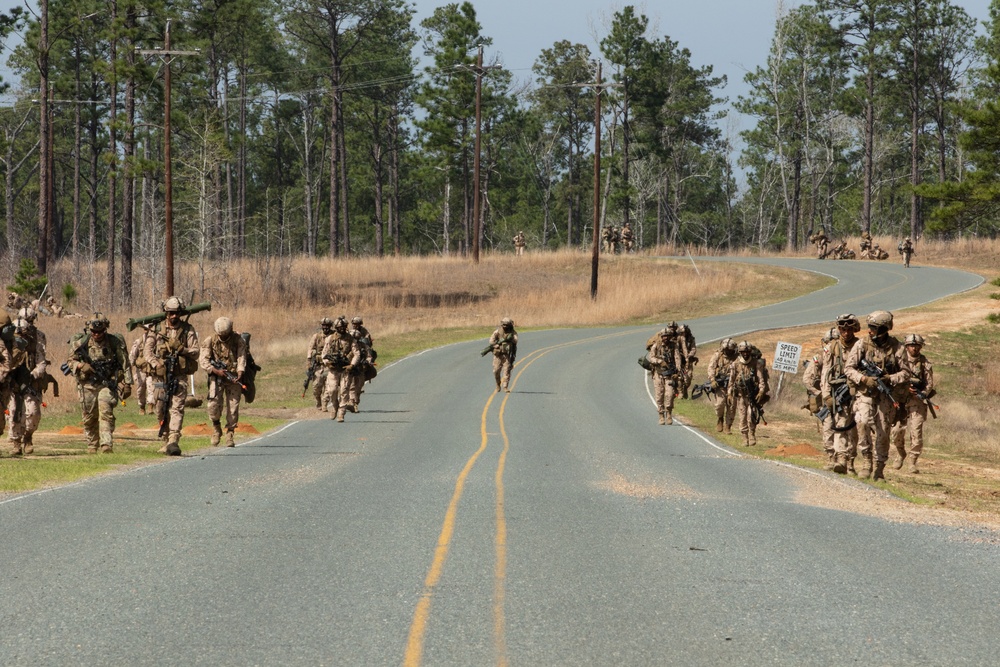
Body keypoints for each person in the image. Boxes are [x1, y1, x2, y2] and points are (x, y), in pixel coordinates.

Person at [844, 310, 910, 480]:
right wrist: (864, 379)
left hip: (886, 396)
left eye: (874, 327)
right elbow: (848, 369)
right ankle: (866, 461)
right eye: (870, 327)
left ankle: (879, 467)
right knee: (862, 422)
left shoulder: (897, 347)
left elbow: (906, 373)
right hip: (865, 393)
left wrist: (890, 378)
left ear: (884, 329)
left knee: (883, 431)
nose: (870, 330)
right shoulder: (862, 345)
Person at [66, 313, 132, 454]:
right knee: (89, 417)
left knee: (105, 411)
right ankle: (92, 444)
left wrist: (127, 384)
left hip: (106, 384)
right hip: (87, 385)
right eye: (94, 332)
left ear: (105, 329)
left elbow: (125, 364)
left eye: (100, 332)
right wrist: (80, 366)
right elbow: (70, 361)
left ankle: (106, 444)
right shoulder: (81, 343)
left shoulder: (114, 342)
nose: (97, 335)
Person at [144, 296, 200, 456]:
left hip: (179, 377)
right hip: (160, 378)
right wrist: (156, 363)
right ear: (166, 313)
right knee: (160, 408)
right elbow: (147, 352)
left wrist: (182, 349)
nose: (174, 316)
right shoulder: (157, 330)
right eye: (170, 313)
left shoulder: (187, 330)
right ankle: (165, 439)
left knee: (176, 408)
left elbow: (195, 352)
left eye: (176, 313)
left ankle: (174, 440)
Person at [822, 314, 862, 475]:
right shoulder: (832, 347)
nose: (846, 332)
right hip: (839, 393)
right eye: (843, 329)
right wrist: (826, 396)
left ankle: (851, 460)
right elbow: (826, 372)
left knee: (856, 428)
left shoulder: (861, 346)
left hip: (858, 393)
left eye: (849, 329)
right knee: (841, 425)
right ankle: (841, 459)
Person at [890, 334, 935, 473]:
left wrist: (921, 393)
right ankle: (900, 453)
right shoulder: (899, 361)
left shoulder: (925, 363)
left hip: (917, 402)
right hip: (900, 401)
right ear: (906, 346)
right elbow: (892, 379)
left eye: (916, 346)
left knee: (916, 432)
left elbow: (929, 384)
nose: (914, 348)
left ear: (920, 347)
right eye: (911, 345)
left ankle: (912, 462)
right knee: (896, 431)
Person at [199, 316, 247, 447]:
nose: (224, 338)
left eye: (226, 335)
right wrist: (214, 370)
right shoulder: (210, 340)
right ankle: (216, 428)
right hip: (217, 377)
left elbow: (242, 356)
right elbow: (203, 360)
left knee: (233, 407)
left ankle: (230, 433)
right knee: (213, 405)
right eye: (222, 335)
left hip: (233, 377)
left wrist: (240, 371)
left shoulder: (238, 340)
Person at [8, 308, 49, 456]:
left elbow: (41, 362)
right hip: (13, 382)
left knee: (32, 413)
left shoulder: (37, 338)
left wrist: (33, 375)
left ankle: (28, 437)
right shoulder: (7, 341)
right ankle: (16, 443)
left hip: (31, 382)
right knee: (13, 412)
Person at [804, 328, 838, 469]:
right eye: (828, 343)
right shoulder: (818, 359)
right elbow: (807, 379)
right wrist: (820, 393)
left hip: (844, 399)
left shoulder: (847, 357)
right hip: (826, 400)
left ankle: (845, 460)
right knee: (828, 428)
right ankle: (832, 458)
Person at [321, 316, 361, 422]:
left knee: (344, 391)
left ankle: (341, 413)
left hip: (345, 369)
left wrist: (352, 365)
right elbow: (324, 354)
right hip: (333, 369)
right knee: (332, 390)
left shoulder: (351, 339)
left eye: (344, 327)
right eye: (340, 327)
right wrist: (327, 363)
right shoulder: (330, 338)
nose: (342, 329)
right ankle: (335, 406)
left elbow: (357, 354)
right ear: (336, 327)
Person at [730, 341, 769, 446]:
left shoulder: (756, 363)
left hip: (752, 396)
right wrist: (730, 393)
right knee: (742, 417)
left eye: (747, 352)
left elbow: (761, 380)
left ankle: (752, 434)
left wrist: (761, 391)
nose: (745, 354)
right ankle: (744, 437)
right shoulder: (735, 364)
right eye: (743, 352)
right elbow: (731, 380)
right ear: (740, 352)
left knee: (751, 415)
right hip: (741, 396)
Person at [647, 328, 681, 425]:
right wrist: (660, 362)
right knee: (659, 396)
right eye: (663, 336)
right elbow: (651, 358)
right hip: (658, 375)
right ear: (661, 337)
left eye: (667, 336)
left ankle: (669, 413)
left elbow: (677, 358)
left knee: (669, 395)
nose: (665, 338)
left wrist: (677, 372)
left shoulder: (673, 346)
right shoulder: (656, 346)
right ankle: (661, 415)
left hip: (670, 375)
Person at [706, 338, 738, 433]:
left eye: (729, 350)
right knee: (720, 404)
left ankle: (728, 426)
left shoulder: (737, 357)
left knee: (731, 406)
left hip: (733, 385)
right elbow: (711, 368)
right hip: (720, 384)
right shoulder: (717, 355)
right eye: (726, 350)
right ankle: (720, 419)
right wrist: (712, 380)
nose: (727, 351)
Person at [348, 315, 377, 411]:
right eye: (353, 324)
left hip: (360, 368)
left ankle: (355, 402)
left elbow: (369, 354)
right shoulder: (349, 342)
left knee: (359, 386)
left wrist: (367, 362)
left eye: (357, 324)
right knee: (351, 385)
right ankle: (352, 403)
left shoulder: (364, 341)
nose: (355, 326)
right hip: (351, 368)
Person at [306, 318, 333, 410]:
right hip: (318, 366)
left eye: (327, 326)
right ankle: (318, 401)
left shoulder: (334, 336)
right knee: (316, 386)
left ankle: (325, 403)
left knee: (329, 386)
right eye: (323, 325)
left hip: (330, 365)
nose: (325, 328)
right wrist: (309, 361)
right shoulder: (316, 336)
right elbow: (310, 348)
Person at [486, 317, 518, 393]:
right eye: (504, 325)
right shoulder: (497, 332)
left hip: (507, 355)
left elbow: (516, 341)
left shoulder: (513, 333)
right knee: (496, 371)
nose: (505, 326)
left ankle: (505, 386)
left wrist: (510, 339)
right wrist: (495, 345)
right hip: (498, 355)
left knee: (506, 371)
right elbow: (491, 340)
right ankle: (498, 384)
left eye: (507, 325)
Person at [676, 323, 698, 399]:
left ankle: (685, 389)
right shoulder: (677, 339)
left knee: (688, 377)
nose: (683, 334)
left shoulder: (691, 339)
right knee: (679, 377)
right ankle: (680, 392)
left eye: (684, 332)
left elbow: (693, 348)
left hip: (689, 361)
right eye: (681, 333)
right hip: (679, 360)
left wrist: (690, 355)